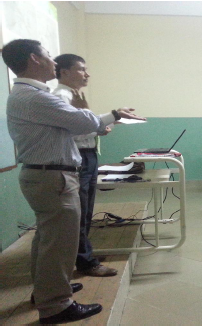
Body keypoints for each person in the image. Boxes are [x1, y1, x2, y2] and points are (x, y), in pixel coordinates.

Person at [2, 39, 145, 325]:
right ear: (34, 59)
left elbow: (77, 123)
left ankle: (47, 291)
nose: (54, 62)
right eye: (49, 56)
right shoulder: (36, 96)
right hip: (52, 177)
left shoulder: (29, 94)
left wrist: (99, 120)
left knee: (48, 240)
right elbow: (80, 122)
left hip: (46, 174)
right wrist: (115, 114)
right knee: (58, 243)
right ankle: (56, 306)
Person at [53, 54, 117, 277]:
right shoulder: (61, 96)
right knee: (79, 214)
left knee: (86, 211)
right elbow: (72, 130)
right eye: (81, 69)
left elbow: (81, 124)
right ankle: (85, 261)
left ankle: (83, 258)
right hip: (78, 156)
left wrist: (101, 125)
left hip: (87, 155)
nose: (86, 74)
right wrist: (100, 126)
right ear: (64, 72)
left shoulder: (74, 94)